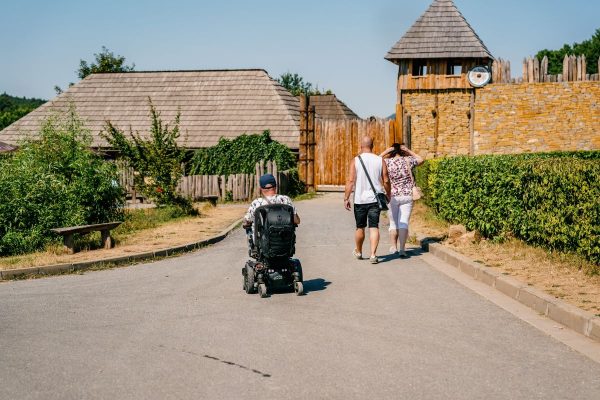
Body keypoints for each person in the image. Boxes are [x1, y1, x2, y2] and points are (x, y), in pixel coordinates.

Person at [344, 136, 391, 264]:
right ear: (372, 146)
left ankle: (359, 252)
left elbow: (350, 181)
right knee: (374, 227)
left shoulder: (355, 160)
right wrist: (389, 194)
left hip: (359, 200)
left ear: (361, 145)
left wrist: (346, 198)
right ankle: (373, 255)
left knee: (360, 227)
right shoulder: (380, 160)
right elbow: (386, 180)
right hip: (375, 200)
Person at [379, 143, 424, 258]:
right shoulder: (408, 160)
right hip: (407, 195)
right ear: (402, 151)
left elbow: (376, 160)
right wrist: (409, 150)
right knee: (403, 222)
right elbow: (421, 159)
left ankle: (393, 247)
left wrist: (386, 151)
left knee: (393, 223)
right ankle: (402, 249)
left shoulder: (387, 162)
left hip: (392, 195)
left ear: (392, 152)